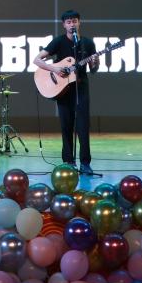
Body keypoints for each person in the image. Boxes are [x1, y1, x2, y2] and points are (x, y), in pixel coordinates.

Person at [34, 10, 99, 175]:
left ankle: (85, 163)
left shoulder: (87, 43)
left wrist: (95, 62)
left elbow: (93, 70)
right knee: (66, 125)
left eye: (74, 21)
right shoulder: (58, 42)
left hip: (81, 87)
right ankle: (68, 161)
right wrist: (55, 69)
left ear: (79, 23)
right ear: (64, 25)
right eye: (69, 22)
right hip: (63, 90)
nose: (72, 24)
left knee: (83, 126)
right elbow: (37, 60)